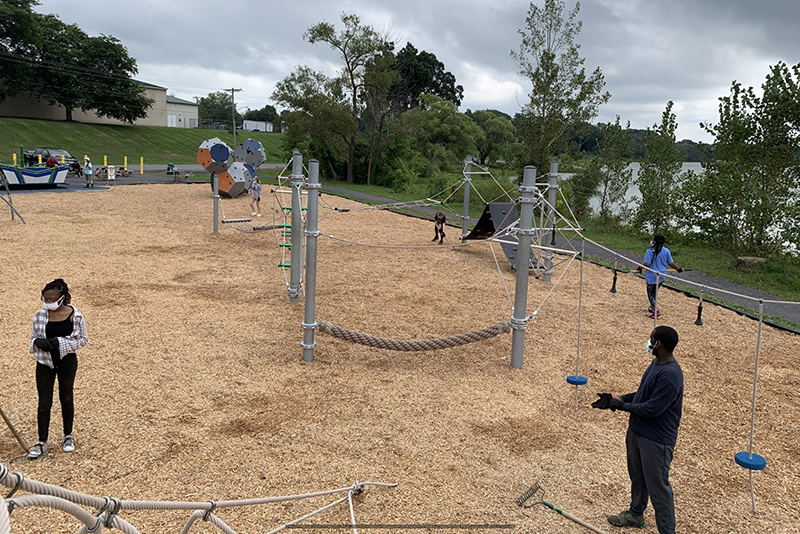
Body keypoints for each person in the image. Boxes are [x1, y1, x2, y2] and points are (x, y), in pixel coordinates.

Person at [592, 325, 684, 534]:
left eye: (652, 339)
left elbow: (653, 408)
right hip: (637, 431)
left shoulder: (671, 375)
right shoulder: (656, 363)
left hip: (656, 439)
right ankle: (636, 514)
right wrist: (619, 398)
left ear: (659, 344)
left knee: (658, 487)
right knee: (638, 477)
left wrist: (622, 406)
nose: (649, 342)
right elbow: (643, 394)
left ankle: (667, 531)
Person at [27, 279, 89, 459]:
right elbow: (34, 337)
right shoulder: (39, 315)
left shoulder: (75, 315)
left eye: (51, 299)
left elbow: (82, 340)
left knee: (66, 397)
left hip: (66, 361)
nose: (48, 302)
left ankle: (67, 436)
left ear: (62, 298)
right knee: (44, 402)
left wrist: (60, 343)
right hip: (44, 362)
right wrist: (38, 342)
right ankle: (41, 441)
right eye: (45, 299)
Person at [642, 235, 682, 319]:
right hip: (662, 275)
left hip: (652, 275)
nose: (652, 240)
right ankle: (652, 307)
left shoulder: (650, 251)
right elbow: (671, 263)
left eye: (653, 239)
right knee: (655, 292)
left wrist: (639, 268)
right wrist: (678, 268)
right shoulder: (666, 251)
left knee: (650, 293)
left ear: (655, 241)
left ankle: (655, 310)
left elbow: (647, 263)